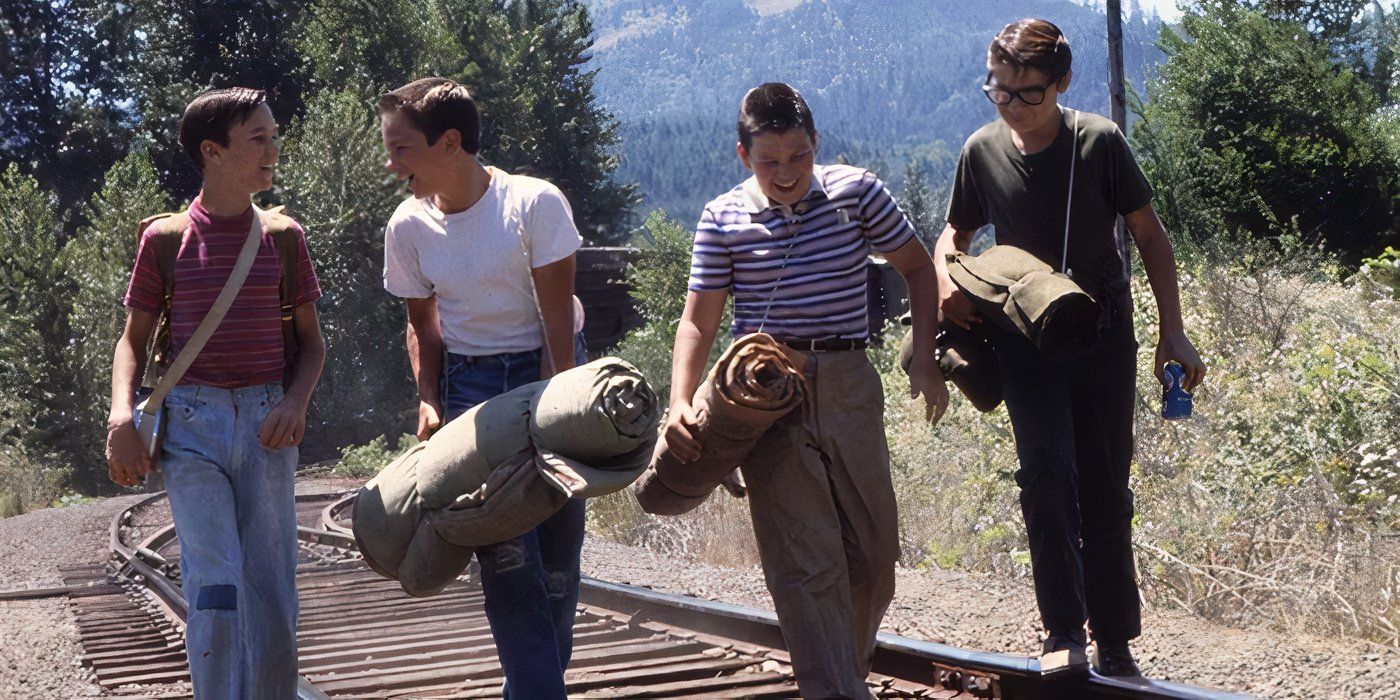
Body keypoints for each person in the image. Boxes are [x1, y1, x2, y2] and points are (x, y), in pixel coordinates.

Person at [935, 19, 1207, 677]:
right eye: (999, 91)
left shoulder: (1098, 143)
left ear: (1061, 83)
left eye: (1028, 93)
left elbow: (1151, 235)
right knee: (1047, 483)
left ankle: (1116, 642)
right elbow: (955, 232)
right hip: (1026, 345)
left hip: (1105, 338)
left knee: (1106, 492)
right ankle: (1064, 633)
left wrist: (1173, 330)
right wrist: (948, 278)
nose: (1012, 107)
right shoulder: (981, 151)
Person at [663, 82, 948, 698]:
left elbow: (919, 269)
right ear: (743, 156)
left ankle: (842, 676)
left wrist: (922, 356)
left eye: (798, 156)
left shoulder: (857, 193)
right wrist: (679, 401)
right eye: (770, 161)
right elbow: (698, 320)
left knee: (873, 555)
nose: (786, 172)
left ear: (815, 144)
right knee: (806, 563)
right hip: (769, 393)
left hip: (849, 382)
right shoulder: (722, 220)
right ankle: (835, 690)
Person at [104, 87, 326, 699]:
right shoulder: (165, 240)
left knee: (273, 589)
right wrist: (122, 413)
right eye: (259, 138)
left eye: (274, 136)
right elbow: (132, 341)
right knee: (217, 585)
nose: (274, 149)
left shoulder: (284, 237)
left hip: (266, 422)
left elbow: (312, 345)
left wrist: (294, 402)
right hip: (192, 426)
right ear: (213, 151)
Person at [378, 77, 587, 699]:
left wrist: (558, 413)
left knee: (555, 558)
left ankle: (533, 684)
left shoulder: (533, 204)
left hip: (550, 373)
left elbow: (555, 322)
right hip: (472, 386)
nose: (392, 166)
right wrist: (428, 399)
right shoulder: (408, 228)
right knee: (504, 557)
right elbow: (423, 328)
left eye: (402, 150)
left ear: (449, 143)